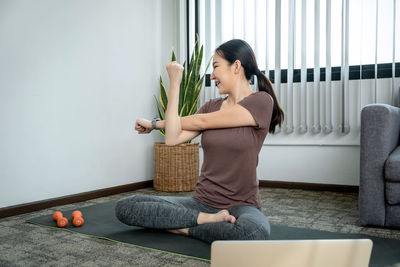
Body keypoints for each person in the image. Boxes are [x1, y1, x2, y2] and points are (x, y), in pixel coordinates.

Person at [115, 39, 284, 243]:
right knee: (127, 206)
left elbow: (201, 121)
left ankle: (184, 228)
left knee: (253, 232)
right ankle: (207, 220)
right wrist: (175, 84)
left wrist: (154, 124)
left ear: (236, 66)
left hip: (242, 206)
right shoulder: (210, 106)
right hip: (201, 204)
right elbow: (172, 138)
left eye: (215, 67)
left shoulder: (261, 102)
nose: (212, 75)